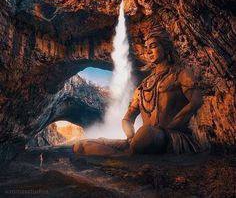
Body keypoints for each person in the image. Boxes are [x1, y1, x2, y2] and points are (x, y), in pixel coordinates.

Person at [73, 25, 203, 155]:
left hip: (171, 137)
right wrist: (131, 137)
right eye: (146, 48)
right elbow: (127, 119)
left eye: (153, 46)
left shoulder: (180, 73)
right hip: (144, 137)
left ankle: (127, 153)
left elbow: (196, 101)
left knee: (146, 133)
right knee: (80, 145)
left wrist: (169, 127)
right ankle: (126, 154)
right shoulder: (143, 85)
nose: (148, 52)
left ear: (166, 48)